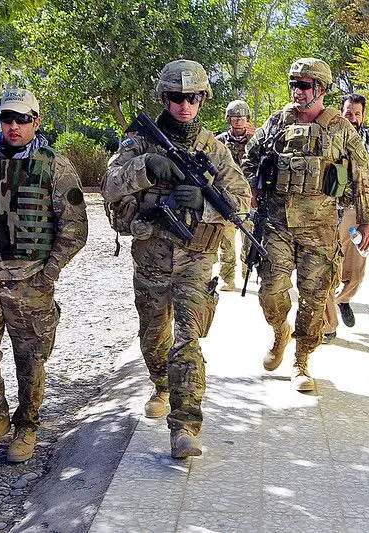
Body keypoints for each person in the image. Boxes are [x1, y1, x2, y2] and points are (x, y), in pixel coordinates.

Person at [102, 60, 250, 458]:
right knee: (154, 336)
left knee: (188, 341)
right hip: (150, 254)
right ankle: (160, 386)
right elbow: (109, 185)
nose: (185, 106)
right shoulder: (138, 142)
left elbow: (241, 201)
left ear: (204, 99)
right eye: (176, 98)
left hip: (196, 257)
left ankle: (185, 425)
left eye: (193, 97)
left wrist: (203, 203)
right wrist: (146, 167)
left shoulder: (214, 150)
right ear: (163, 99)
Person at [0, 88, 88, 463]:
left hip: (31, 279)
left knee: (31, 358)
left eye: (22, 120)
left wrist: (49, 275)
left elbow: (74, 228)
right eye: (7, 119)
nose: (13, 126)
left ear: (35, 122)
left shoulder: (56, 167)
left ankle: (26, 426)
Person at [240, 58, 369, 391]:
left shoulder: (340, 128)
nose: (297, 91)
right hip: (278, 222)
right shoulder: (277, 122)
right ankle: (280, 333)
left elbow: (363, 174)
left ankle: (302, 360)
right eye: (294, 84)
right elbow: (250, 158)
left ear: (320, 89)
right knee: (271, 291)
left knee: (314, 297)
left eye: (304, 85)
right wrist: (252, 190)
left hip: (320, 226)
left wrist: (367, 219)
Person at [322, 93, 369, 343]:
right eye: (348, 113)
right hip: (334, 214)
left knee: (355, 274)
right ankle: (328, 325)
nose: (352, 118)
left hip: (362, 217)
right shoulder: (330, 140)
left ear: (363, 116)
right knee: (327, 270)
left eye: (357, 114)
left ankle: (343, 300)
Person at [215, 100, 256, 291]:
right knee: (226, 241)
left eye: (242, 117)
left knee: (249, 239)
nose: (238, 121)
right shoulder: (219, 141)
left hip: (248, 198)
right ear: (228, 119)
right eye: (234, 117)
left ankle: (247, 271)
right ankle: (227, 277)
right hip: (226, 196)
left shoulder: (256, 140)